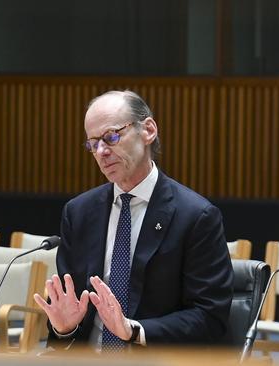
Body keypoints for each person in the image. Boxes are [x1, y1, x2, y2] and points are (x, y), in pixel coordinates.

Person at [34, 90, 233, 352]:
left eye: (111, 137)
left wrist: (133, 330)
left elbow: (209, 317)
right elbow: (68, 319)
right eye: (93, 144)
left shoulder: (196, 216)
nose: (101, 152)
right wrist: (65, 328)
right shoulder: (79, 213)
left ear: (148, 130)